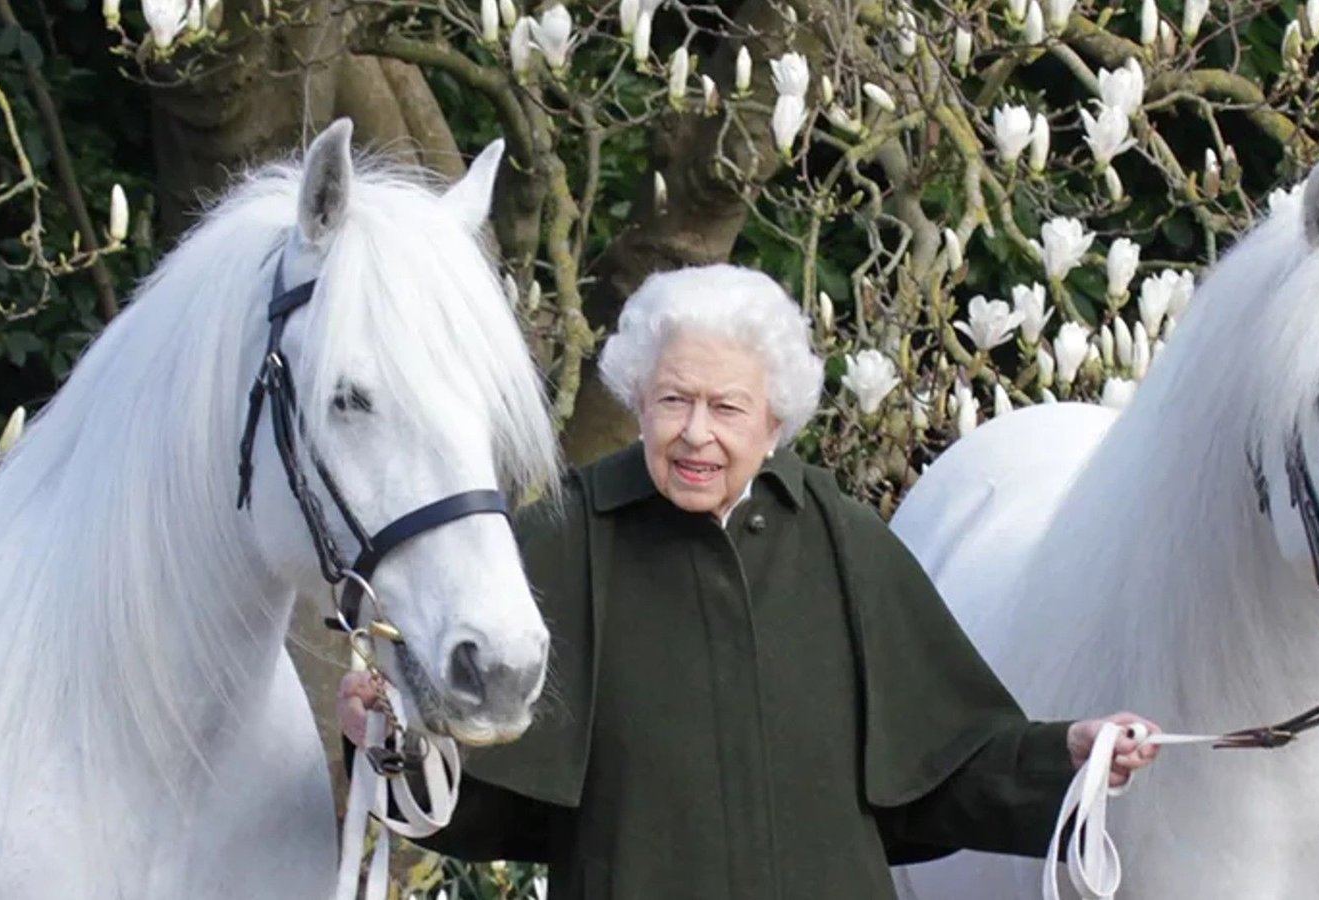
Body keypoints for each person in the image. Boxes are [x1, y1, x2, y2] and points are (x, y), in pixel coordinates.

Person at [338, 264, 1159, 900]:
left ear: (775, 423)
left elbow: (939, 772)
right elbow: (485, 792)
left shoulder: (841, 540)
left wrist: (1069, 757)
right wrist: (391, 740)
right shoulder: (562, 539)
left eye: (726, 408)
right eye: (672, 401)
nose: (696, 433)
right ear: (638, 402)